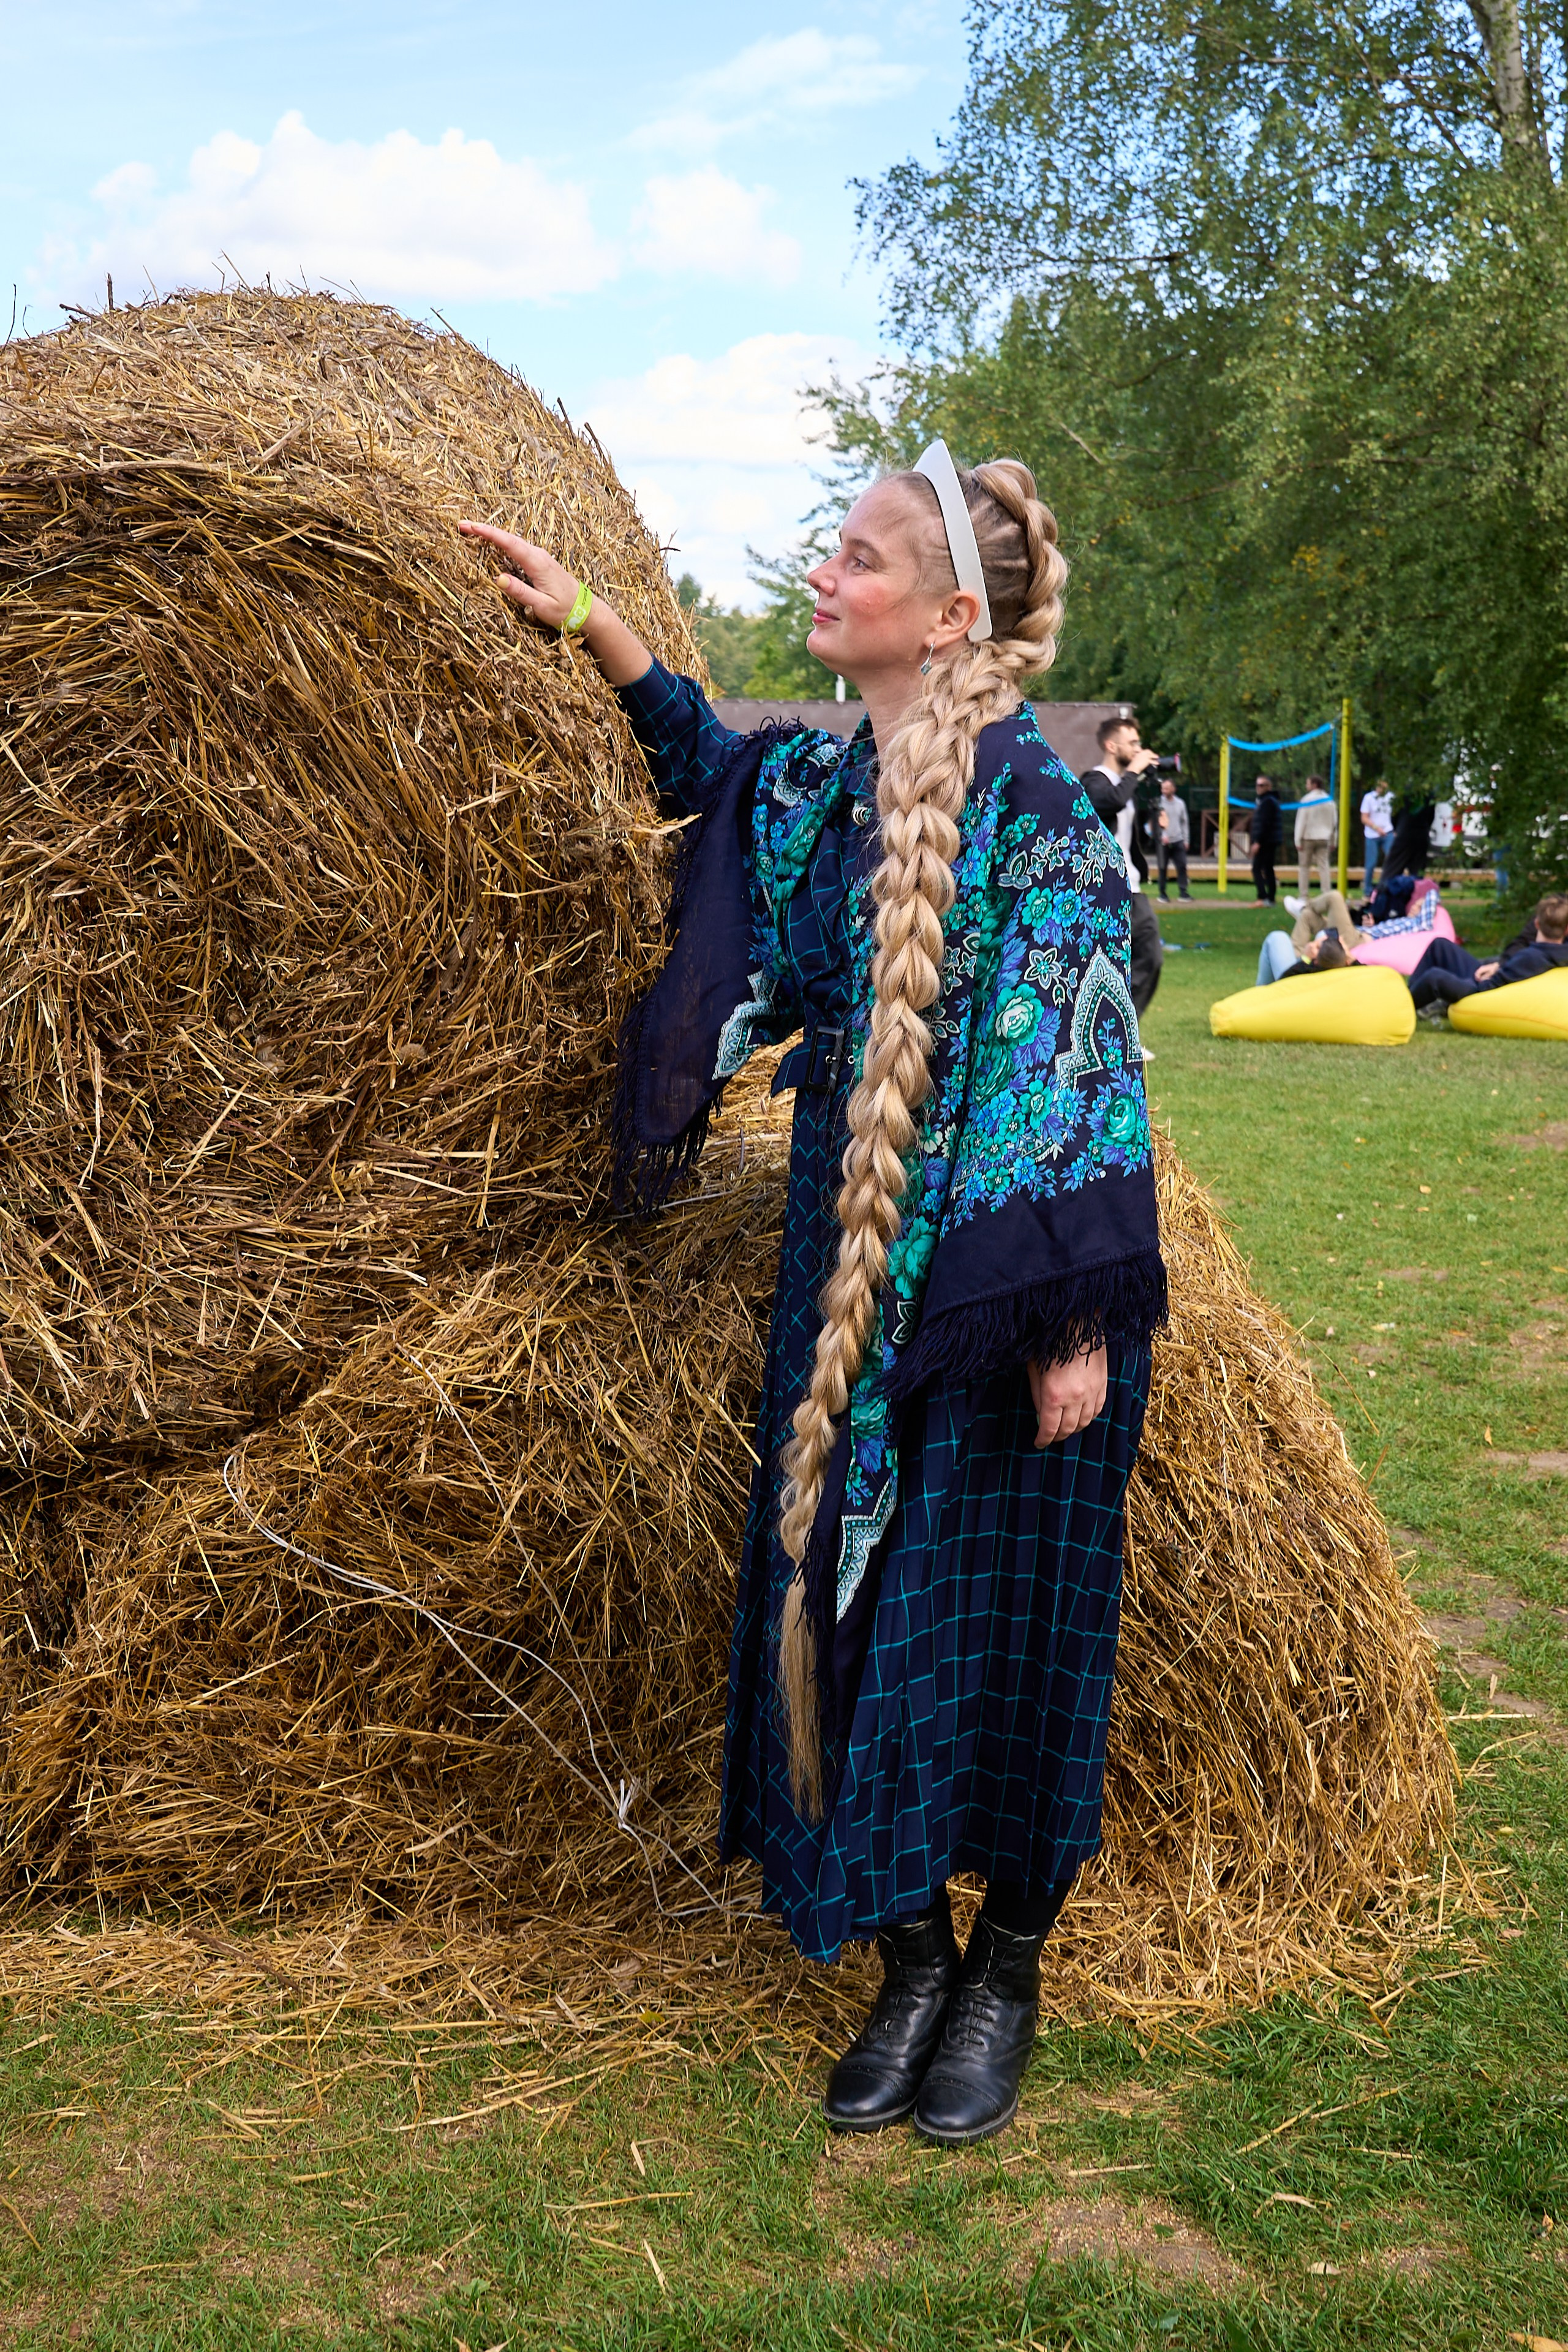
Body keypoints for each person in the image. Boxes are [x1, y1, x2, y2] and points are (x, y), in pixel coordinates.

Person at [458, 448, 1166, 2148]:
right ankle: (907, 1959)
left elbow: (1084, 1069)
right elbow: (717, 775)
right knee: (837, 1615)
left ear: (946, 614)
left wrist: (1072, 1326)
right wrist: (593, 621)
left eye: (855, 556)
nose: (822, 572)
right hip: (837, 1287)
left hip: (1003, 1301)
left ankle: (1003, 1975)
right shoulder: (837, 788)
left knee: (1006, 1632)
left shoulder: (1039, 812)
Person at [1080, 716, 1164, 1013]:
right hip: (1107, 888)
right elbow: (1110, 802)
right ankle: (1116, 1030)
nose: (1138, 749)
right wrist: (1135, 770)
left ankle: (1126, 1029)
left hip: (1131, 886)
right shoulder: (1094, 781)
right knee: (1112, 962)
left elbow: (1129, 834)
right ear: (1111, 746)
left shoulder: (1126, 786)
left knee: (1149, 957)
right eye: (1132, 743)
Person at [1407, 893, 1568, 1017]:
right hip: (1491, 982)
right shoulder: (1556, 954)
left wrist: (1489, 976)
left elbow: (1495, 985)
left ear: (1537, 924)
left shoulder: (1532, 956)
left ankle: (1402, 1008)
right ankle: (1406, 995)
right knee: (1439, 946)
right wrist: (1498, 966)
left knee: (1435, 977)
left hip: (1482, 992)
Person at [1292, 772, 1337, 900]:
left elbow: (1301, 821)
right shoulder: (1329, 801)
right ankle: (1326, 893)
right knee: (1324, 866)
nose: (1306, 786)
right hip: (1324, 838)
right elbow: (1334, 822)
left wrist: (1297, 840)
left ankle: (1304, 895)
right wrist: (1334, 841)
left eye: (1308, 783)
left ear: (1314, 785)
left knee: (1304, 867)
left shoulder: (1307, 800)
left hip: (1308, 837)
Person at [1256, 926, 1351, 985]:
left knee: (1277, 938)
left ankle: (1258, 1001)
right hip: (1331, 975)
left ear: (1316, 962)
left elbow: (1285, 983)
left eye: (1318, 948)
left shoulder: (1301, 971)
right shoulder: (1353, 975)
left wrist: (1306, 959)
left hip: (1293, 997)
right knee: (1322, 934)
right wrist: (1349, 958)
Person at [1289, 888, 1363, 954]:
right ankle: (1296, 958)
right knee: (1307, 915)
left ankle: (1304, 907)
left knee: (1334, 897)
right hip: (1356, 929)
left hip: (1358, 940)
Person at [1156, 772, 1192, 900]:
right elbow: (1157, 822)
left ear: (1173, 789)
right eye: (1163, 788)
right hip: (1163, 841)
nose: (1164, 791)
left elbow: (1184, 822)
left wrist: (1186, 840)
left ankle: (1183, 892)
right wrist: (1162, 836)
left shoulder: (1180, 803)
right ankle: (1162, 893)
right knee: (1162, 868)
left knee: (1182, 866)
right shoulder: (1159, 803)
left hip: (1178, 840)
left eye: (1167, 788)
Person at [1249, 777, 1281, 903]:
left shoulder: (1268, 802)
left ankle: (1262, 897)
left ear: (1269, 787)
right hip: (1269, 840)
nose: (1259, 787)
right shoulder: (1264, 801)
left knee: (1257, 868)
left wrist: (1258, 842)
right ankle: (1270, 898)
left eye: (1262, 785)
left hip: (1266, 841)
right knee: (1268, 869)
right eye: (1257, 785)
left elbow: (1265, 824)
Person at [1359, 780, 1395, 892]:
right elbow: (1364, 818)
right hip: (1372, 835)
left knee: (1392, 859)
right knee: (1371, 863)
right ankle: (1368, 890)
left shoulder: (1391, 797)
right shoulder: (1369, 798)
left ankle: (1388, 887)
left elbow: (1396, 814)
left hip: (1388, 832)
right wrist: (1376, 828)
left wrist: (1395, 830)